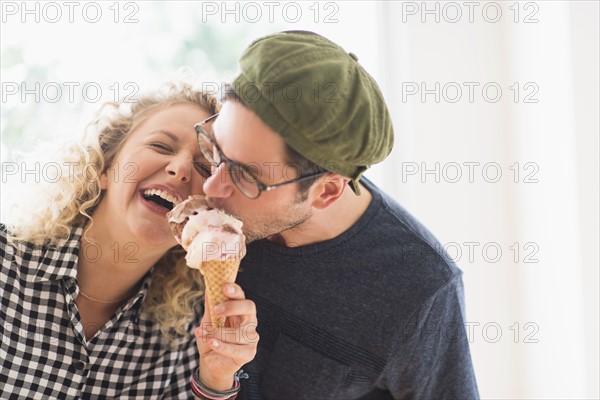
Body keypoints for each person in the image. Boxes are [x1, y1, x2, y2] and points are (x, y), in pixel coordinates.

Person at [196, 31, 479, 399]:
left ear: (327, 191)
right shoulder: (200, 189)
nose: (210, 187)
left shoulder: (419, 286)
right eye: (215, 147)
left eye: (246, 176)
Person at [0, 82, 258, 399]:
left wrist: (216, 378)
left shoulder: (190, 336)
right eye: (161, 147)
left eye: (205, 166)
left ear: (207, 212)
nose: (179, 169)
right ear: (105, 166)